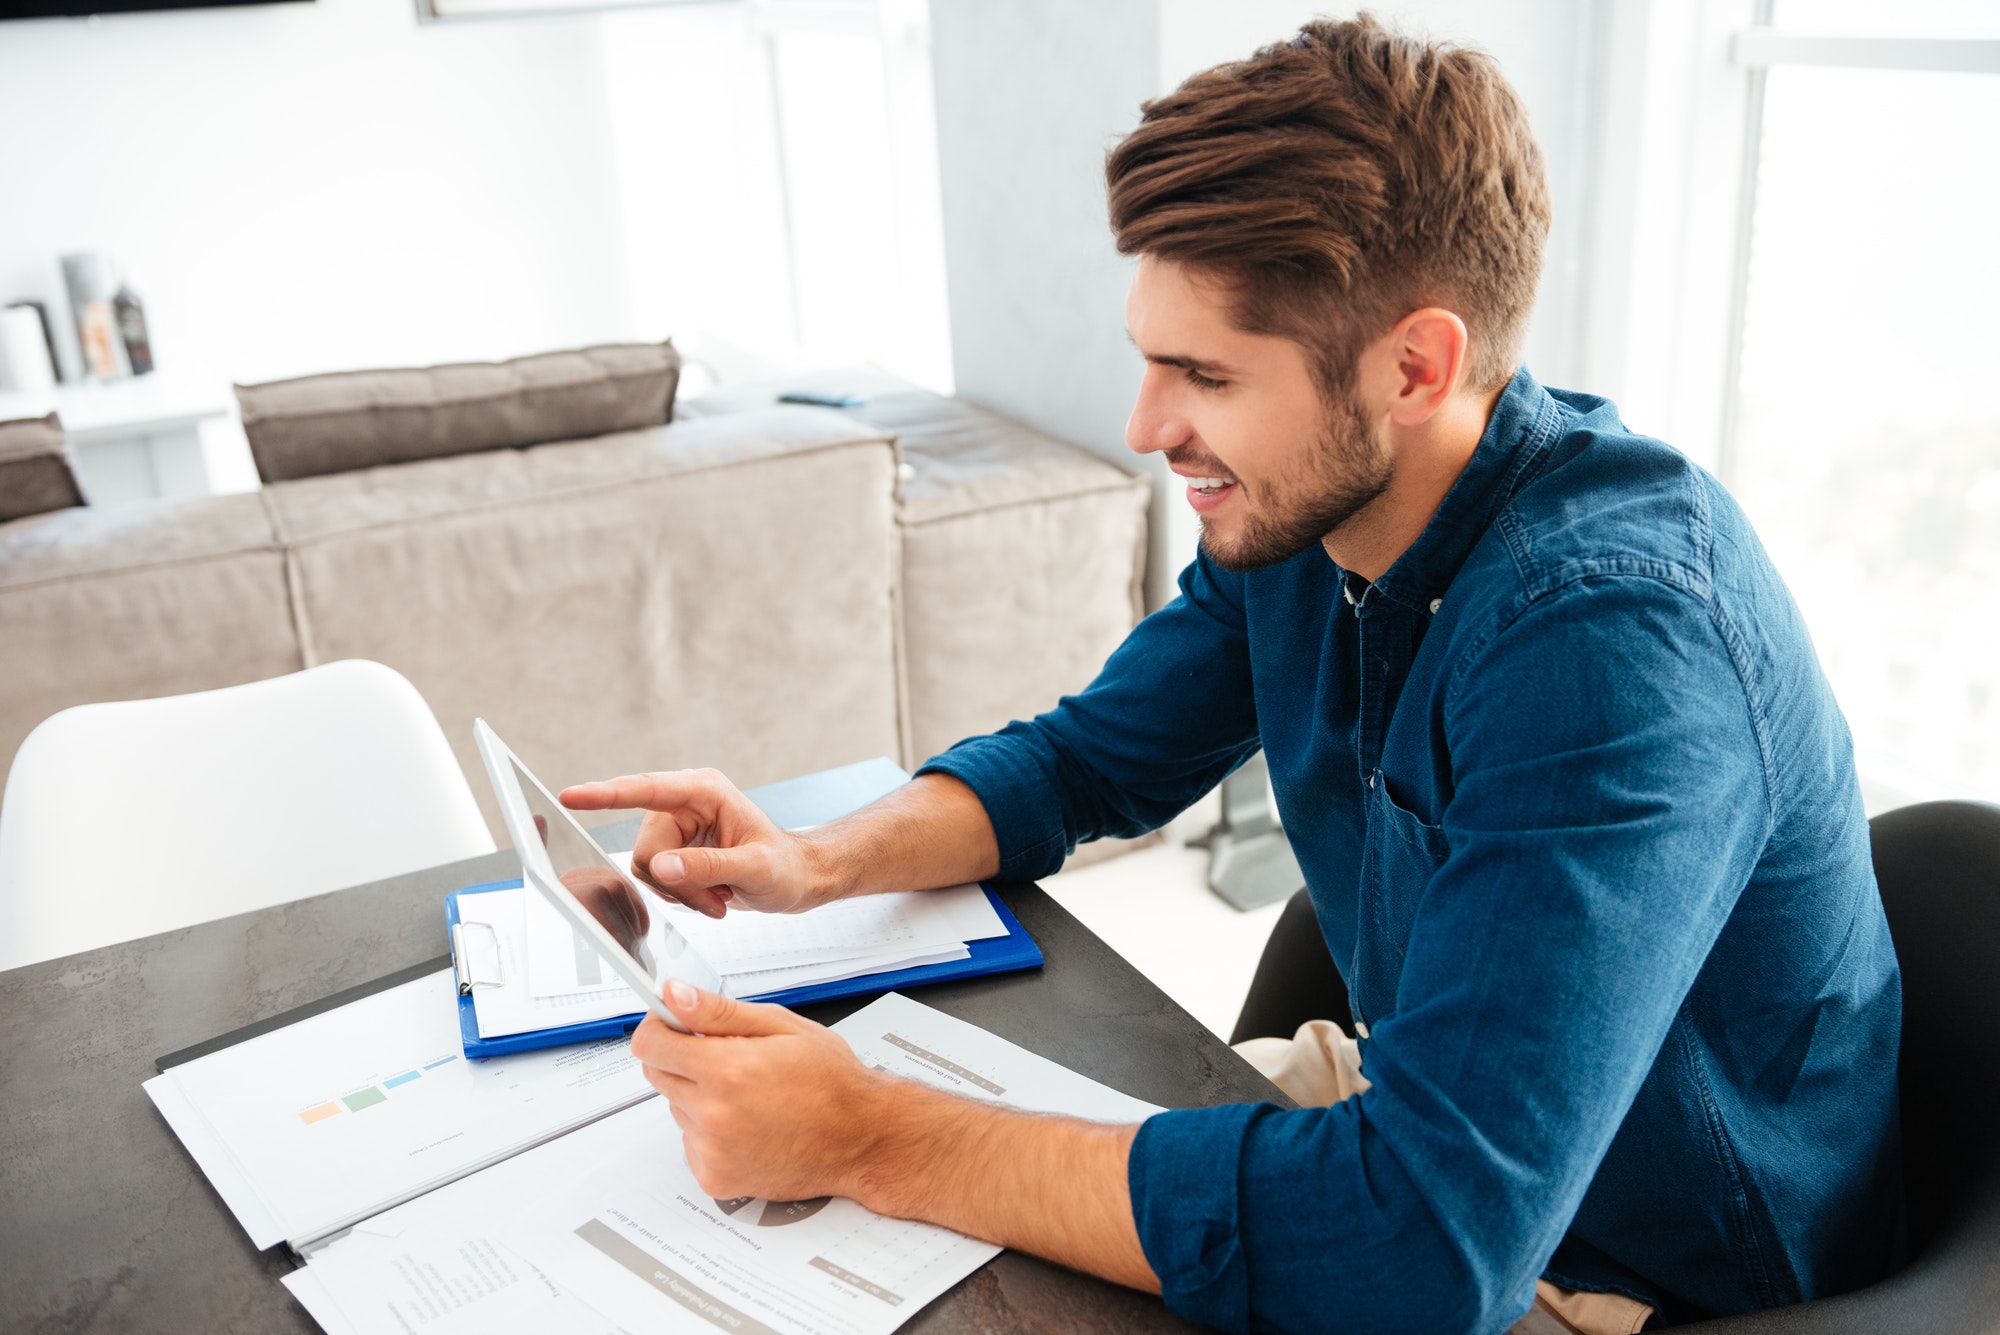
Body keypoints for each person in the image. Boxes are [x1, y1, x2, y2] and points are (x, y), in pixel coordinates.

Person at [558, 16, 1903, 1334]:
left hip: (1630, 1271)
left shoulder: (1611, 647)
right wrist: (813, 861)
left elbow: (1429, 1247)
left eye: (1203, 374)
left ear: (1413, 368)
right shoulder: (1307, 518)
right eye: (1150, 358)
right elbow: (1091, 760)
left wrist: (872, 1141)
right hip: (1418, 1133)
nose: (1148, 427)